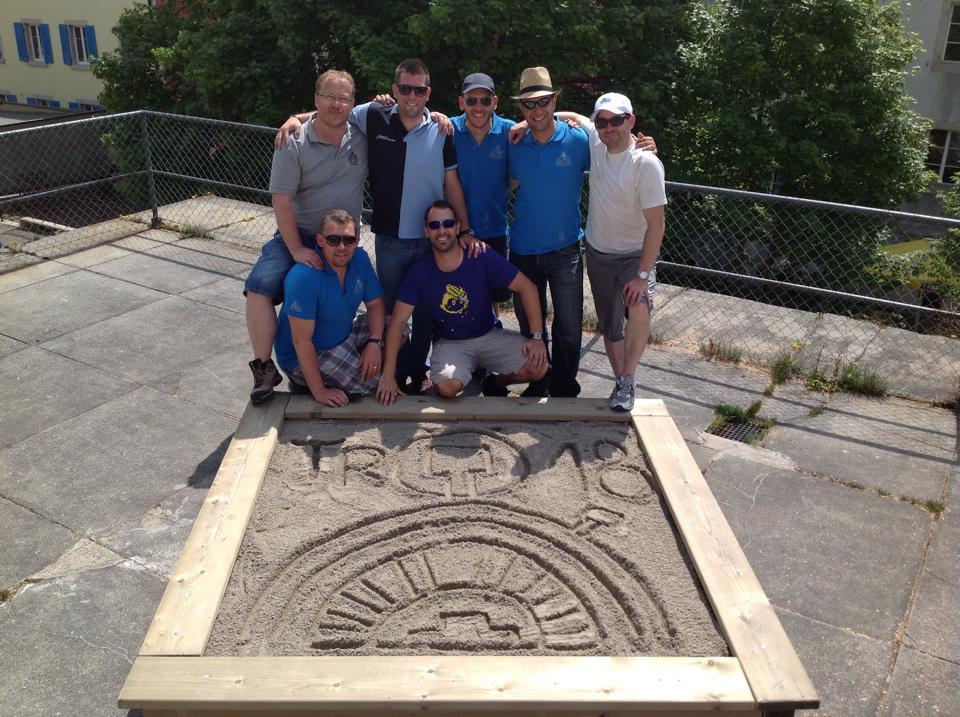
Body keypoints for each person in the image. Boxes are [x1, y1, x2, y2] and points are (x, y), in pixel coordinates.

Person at [279, 59, 473, 395]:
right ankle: (392, 372)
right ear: (395, 89)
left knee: (428, 311)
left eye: (420, 89)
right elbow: (332, 110)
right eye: (405, 88)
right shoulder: (373, 115)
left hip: (432, 239)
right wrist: (296, 119)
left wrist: (464, 229)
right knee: (393, 312)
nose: (412, 96)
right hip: (390, 240)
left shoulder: (442, 130)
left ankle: (416, 370)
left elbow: (452, 183)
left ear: (428, 93)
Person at [244, 69, 366, 405]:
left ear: (352, 103)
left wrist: (437, 114)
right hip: (300, 234)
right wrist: (296, 248)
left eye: (343, 98)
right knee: (259, 286)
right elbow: (281, 199)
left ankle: (336, 350)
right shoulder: (292, 140)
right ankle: (264, 367)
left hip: (342, 239)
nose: (336, 104)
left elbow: (403, 108)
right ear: (316, 99)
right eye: (329, 96)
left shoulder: (361, 132)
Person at [550, 93, 666, 411]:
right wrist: (524, 122)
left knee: (639, 306)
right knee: (610, 324)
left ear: (631, 121)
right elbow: (569, 114)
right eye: (602, 121)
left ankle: (628, 379)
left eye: (617, 120)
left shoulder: (646, 163)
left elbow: (656, 225)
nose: (608, 127)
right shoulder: (596, 142)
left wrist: (642, 275)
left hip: (633, 254)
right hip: (598, 252)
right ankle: (621, 384)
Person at [376, 201, 547, 404]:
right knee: (447, 388)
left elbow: (527, 287)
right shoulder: (419, 272)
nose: (442, 230)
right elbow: (397, 322)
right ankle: (460, 371)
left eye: (448, 223)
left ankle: (496, 382)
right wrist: (387, 375)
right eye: (434, 225)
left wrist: (537, 338)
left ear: (457, 227)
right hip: (451, 343)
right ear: (426, 231)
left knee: (538, 367)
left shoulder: (480, 255)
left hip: (489, 335)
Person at [506, 66, 591, 398]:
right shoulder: (513, 143)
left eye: (543, 102)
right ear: (520, 108)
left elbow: (611, 144)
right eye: (529, 105)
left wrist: (646, 148)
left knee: (569, 326)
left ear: (554, 101)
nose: (537, 110)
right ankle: (539, 379)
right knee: (531, 326)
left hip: (565, 249)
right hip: (523, 250)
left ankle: (564, 387)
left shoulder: (579, 140)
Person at [273, 209, 386, 407]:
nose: (342, 247)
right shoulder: (304, 278)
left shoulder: (360, 258)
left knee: (397, 327)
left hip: (343, 334)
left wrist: (375, 343)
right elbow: (301, 342)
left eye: (348, 240)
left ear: (357, 240)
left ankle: (360, 364)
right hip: (311, 353)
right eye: (333, 240)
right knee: (380, 388)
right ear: (320, 240)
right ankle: (308, 384)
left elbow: (376, 304)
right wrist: (320, 392)